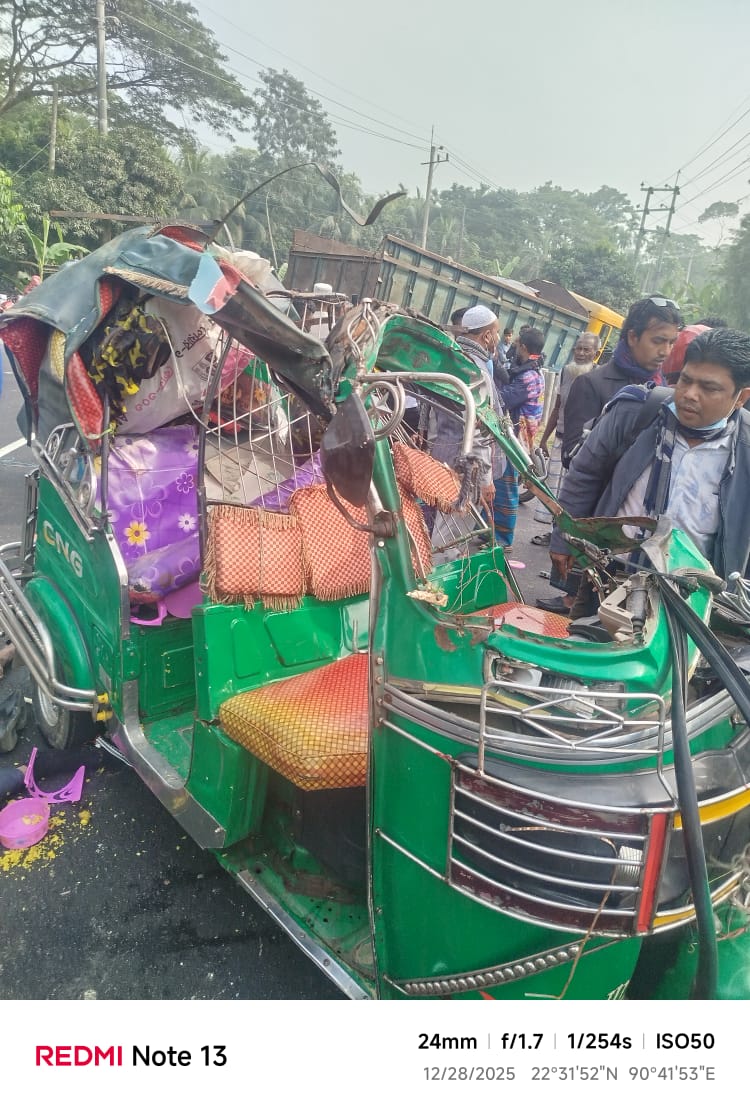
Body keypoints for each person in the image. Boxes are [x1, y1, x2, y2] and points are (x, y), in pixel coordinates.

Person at [549, 328, 750, 620]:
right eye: (686, 380)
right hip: (613, 574)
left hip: (691, 596)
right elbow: (584, 475)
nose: (690, 394)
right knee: (588, 639)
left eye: (709, 388)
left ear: (741, 396)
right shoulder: (635, 412)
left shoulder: (744, 449)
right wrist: (563, 538)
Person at [560, 295, 683, 468]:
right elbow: (571, 457)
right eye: (658, 341)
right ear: (633, 337)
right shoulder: (590, 384)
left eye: (671, 343)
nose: (666, 351)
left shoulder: (663, 389)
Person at [429, 304, 503, 553]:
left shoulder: (450, 361)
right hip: (467, 468)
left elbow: (431, 412)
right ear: (487, 336)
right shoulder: (475, 370)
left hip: (444, 456)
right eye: (496, 332)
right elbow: (478, 430)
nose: (498, 339)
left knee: (445, 530)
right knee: (451, 539)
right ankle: (436, 577)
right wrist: (485, 479)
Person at [531, 331, 602, 545]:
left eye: (586, 349)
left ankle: (567, 538)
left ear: (596, 353)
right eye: (578, 348)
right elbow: (557, 407)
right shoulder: (565, 372)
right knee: (554, 492)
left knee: (572, 495)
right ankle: (555, 535)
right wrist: (544, 439)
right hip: (560, 441)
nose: (580, 353)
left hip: (582, 446)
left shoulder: (598, 377)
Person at [493, 326, 545, 550]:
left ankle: (503, 539)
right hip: (518, 435)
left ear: (523, 347)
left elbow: (503, 399)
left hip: (517, 439)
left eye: (516, 345)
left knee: (506, 488)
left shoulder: (528, 377)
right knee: (498, 484)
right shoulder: (534, 371)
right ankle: (490, 533)